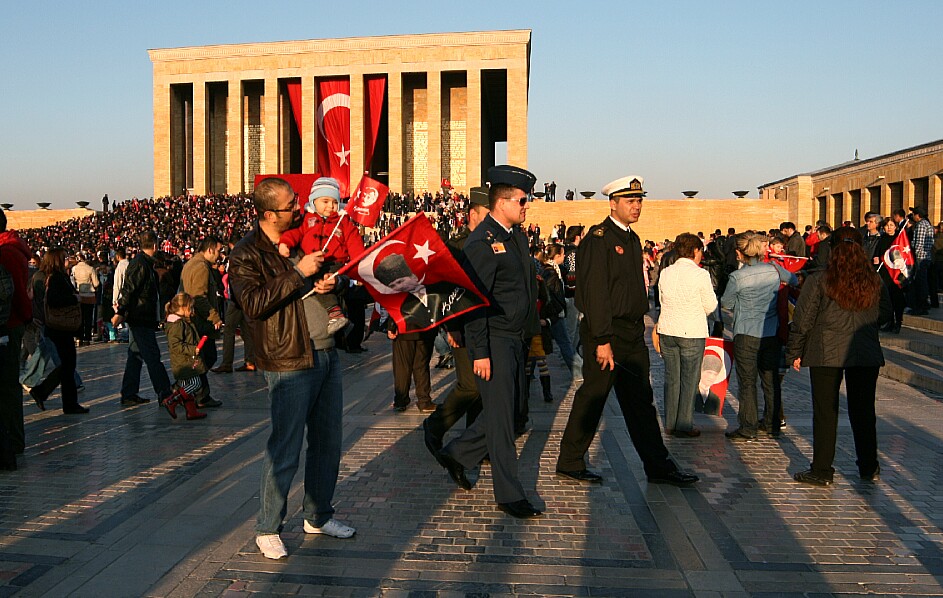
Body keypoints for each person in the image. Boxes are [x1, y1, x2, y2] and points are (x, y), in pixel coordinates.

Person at [229, 177, 355, 560]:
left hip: (326, 350)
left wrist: (331, 283)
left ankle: (318, 515)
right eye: (290, 205)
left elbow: (327, 279)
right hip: (289, 358)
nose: (299, 208)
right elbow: (253, 304)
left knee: (328, 442)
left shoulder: (304, 237)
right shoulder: (247, 253)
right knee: (285, 446)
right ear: (270, 214)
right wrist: (298, 272)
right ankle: (268, 527)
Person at [555, 175, 699, 488]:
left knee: (640, 402)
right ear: (613, 203)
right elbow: (594, 293)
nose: (636, 206)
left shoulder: (632, 239)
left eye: (639, 200)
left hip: (632, 333)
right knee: (593, 396)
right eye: (630, 201)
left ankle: (658, 466)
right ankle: (570, 461)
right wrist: (602, 340)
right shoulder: (599, 239)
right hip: (606, 333)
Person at [436, 165, 544, 519]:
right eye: (522, 200)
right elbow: (473, 301)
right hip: (495, 340)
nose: (527, 206)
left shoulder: (516, 237)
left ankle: (458, 453)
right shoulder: (481, 243)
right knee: (501, 421)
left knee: (512, 415)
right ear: (502, 203)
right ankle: (509, 495)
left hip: (516, 339)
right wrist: (480, 352)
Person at [786, 227, 891, 486]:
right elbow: (886, 314)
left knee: (825, 411)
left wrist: (795, 351)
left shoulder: (820, 279)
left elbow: (803, 318)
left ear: (831, 249)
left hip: (826, 350)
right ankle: (868, 465)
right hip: (864, 351)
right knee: (863, 411)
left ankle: (822, 469)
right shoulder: (874, 280)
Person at [421, 186, 489, 458]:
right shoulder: (458, 245)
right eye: (486, 214)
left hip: (484, 323)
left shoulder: (489, 243)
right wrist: (451, 326)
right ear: (473, 214)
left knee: (482, 387)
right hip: (462, 326)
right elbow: (443, 289)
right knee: (469, 386)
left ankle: (474, 443)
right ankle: (435, 425)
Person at [721, 232, 797, 440]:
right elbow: (794, 279)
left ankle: (748, 427)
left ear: (741, 253)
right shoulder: (774, 269)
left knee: (747, 382)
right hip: (770, 331)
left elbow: (726, 303)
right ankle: (772, 424)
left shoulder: (737, 277)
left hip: (746, 333)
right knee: (770, 380)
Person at [278, 176, 366, 335]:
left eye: (334, 202)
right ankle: (340, 319)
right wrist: (285, 243)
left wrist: (358, 270)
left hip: (334, 264)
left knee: (322, 282)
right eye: (325, 201)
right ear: (313, 202)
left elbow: (355, 246)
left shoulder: (344, 222)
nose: (330, 206)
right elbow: (295, 233)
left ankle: (335, 313)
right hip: (313, 262)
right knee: (315, 281)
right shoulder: (307, 220)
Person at [651, 233, 717, 438]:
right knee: (690, 378)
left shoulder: (666, 272)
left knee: (672, 377)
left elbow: (661, 299)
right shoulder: (700, 274)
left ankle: (671, 422)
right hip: (691, 331)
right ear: (695, 251)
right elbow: (711, 305)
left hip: (668, 329)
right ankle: (685, 423)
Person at [112, 231, 174, 407]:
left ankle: (129, 393)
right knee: (152, 356)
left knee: (136, 355)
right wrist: (120, 311)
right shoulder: (140, 264)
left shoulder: (144, 263)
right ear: (155, 245)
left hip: (141, 316)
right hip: (140, 317)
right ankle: (165, 393)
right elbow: (129, 289)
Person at [39, 248, 89, 414]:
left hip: (60, 328)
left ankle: (45, 393)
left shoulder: (60, 276)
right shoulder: (56, 278)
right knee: (68, 364)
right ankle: (67, 402)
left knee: (67, 365)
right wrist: (74, 298)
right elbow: (54, 300)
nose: (68, 259)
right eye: (65, 257)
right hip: (59, 327)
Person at [0, 208, 34, 454]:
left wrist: (26, 316)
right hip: (14, 322)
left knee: (8, 387)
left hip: (7, 324)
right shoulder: (13, 249)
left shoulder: (6, 253)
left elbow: (17, 293)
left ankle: (11, 441)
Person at [180, 236, 224, 408]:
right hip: (200, 320)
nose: (220, 255)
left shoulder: (191, 264)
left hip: (193, 319)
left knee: (202, 358)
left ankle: (193, 391)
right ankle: (195, 393)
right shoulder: (201, 267)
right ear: (210, 249)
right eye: (219, 251)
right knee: (206, 357)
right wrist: (214, 316)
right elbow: (199, 297)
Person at [161, 292, 208, 420]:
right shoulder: (177, 324)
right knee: (195, 383)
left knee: (186, 387)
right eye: (190, 308)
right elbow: (175, 345)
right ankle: (172, 400)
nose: (192, 311)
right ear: (182, 308)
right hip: (184, 362)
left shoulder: (182, 321)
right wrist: (193, 350)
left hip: (185, 360)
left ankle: (191, 411)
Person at [388, 318, 436, 413]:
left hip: (404, 326)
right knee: (422, 365)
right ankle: (424, 401)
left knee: (402, 366)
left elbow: (395, 308)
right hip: (427, 327)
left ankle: (400, 401)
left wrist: (391, 326)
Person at [874, 218, 906, 333]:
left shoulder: (899, 239)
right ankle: (890, 321)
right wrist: (876, 258)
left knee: (897, 298)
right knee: (888, 299)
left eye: (891, 225)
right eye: (887, 226)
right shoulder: (882, 239)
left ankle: (898, 322)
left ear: (895, 227)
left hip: (896, 273)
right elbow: (877, 254)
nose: (889, 228)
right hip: (885, 273)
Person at [908, 206, 934, 315]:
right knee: (923, 281)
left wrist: (911, 249)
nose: (913, 216)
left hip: (920, 257)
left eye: (913, 214)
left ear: (918, 215)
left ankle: (921, 305)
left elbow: (918, 243)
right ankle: (924, 304)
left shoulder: (921, 225)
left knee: (920, 282)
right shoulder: (927, 224)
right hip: (926, 257)